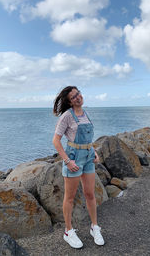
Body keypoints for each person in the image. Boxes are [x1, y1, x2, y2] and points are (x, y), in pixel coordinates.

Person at [53, 86, 105, 249]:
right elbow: (56, 140)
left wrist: (93, 151)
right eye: (73, 97)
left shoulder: (86, 114)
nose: (78, 97)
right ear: (69, 101)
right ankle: (68, 231)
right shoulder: (66, 117)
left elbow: (87, 138)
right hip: (74, 158)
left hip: (88, 157)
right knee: (70, 197)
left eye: (78, 94)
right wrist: (68, 161)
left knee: (90, 194)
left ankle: (94, 227)